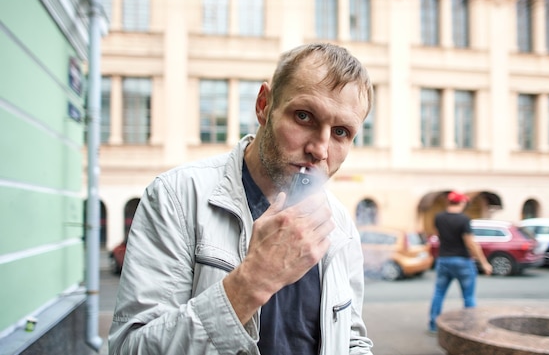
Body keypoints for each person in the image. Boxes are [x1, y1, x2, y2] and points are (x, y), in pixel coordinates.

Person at [108, 42, 374, 355]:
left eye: (341, 132)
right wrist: (251, 282)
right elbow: (131, 349)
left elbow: (351, 338)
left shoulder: (340, 226)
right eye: (304, 116)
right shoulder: (177, 197)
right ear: (264, 105)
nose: (320, 148)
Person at [428, 191, 493, 334]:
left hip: (443, 259)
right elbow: (471, 243)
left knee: (439, 293)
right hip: (462, 261)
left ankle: (433, 325)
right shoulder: (464, 220)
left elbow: (437, 234)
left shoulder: (439, 218)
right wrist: (484, 263)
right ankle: (470, 327)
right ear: (462, 203)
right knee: (468, 297)